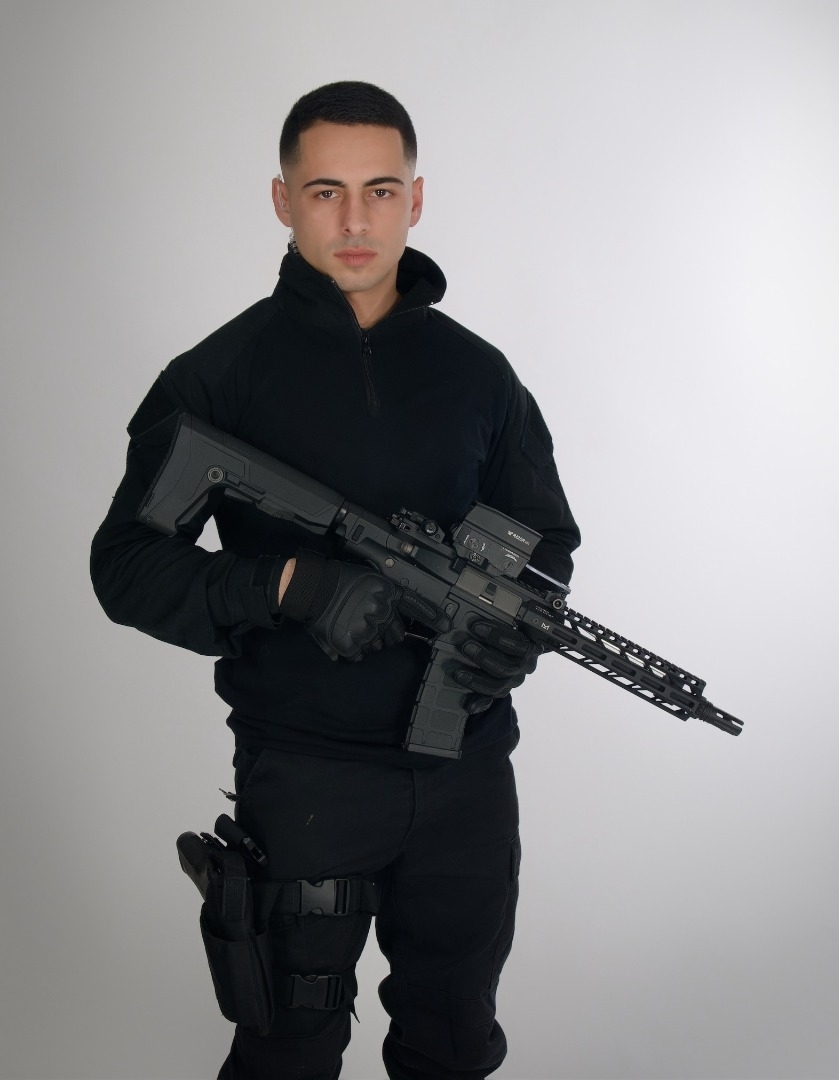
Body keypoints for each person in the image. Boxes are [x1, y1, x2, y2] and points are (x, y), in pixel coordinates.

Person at [91, 81, 580, 1080]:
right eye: (326, 192)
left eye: (380, 190)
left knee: (452, 1042)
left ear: (415, 200)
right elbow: (126, 567)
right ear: (283, 200)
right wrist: (287, 587)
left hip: (466, 779)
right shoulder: (217, 376)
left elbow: (542, 547)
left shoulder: (479, 375)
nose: (355, 221)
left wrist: (513, 638)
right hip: (304, 780)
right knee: (289, 1048)